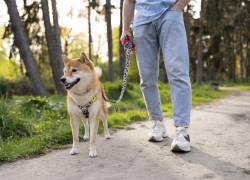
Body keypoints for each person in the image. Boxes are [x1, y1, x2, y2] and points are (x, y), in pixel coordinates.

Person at [120, 0, 192, 152]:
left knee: (178, 72)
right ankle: (157, 122)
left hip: (170, 14)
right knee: (146, 78)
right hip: (142, 21)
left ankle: (182, 130)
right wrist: (125, 28)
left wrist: (179, 6)